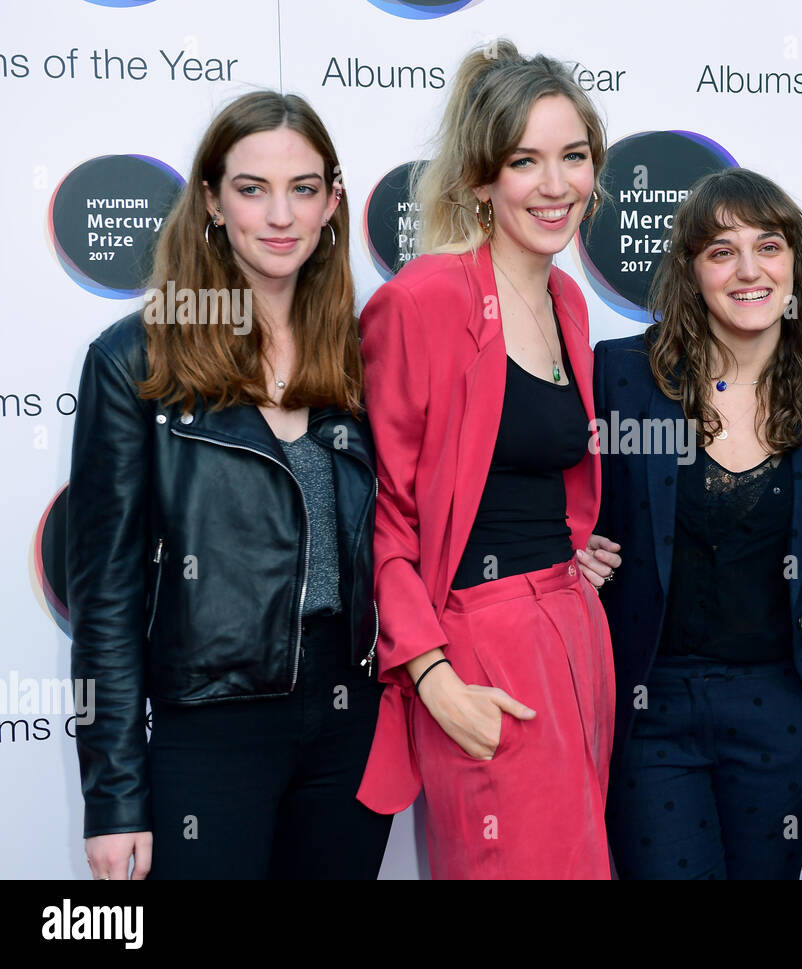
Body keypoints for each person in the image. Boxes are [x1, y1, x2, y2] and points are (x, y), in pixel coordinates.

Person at [69, 91, 388, 880]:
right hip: (210, 728)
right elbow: (104, 595)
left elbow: (424, 515)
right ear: (211, 200)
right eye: (252, 189)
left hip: (353, 723)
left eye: (303, 188)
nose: (280, 215)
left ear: (332, 202)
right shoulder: (133, 362)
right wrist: (113, 795)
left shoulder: (365, 354)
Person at [354, 40, 620, 879]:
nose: (555, 185)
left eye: (573, 157)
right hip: (474, 648)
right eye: (524, 161)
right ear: (479, 179)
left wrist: (568, 554)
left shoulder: (567, 299)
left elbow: (529, 470)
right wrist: (433, 675)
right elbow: (387, 515)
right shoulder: (420, 302)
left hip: (574, 634)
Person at [594, 168, 802, 879]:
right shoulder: (620, 376)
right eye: (721, 251)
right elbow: (550, 497)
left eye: (768, 246)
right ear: (691, 271)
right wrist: (570, 545)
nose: (749, 270)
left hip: (786, 712)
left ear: (796, 263)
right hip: (651, 707)